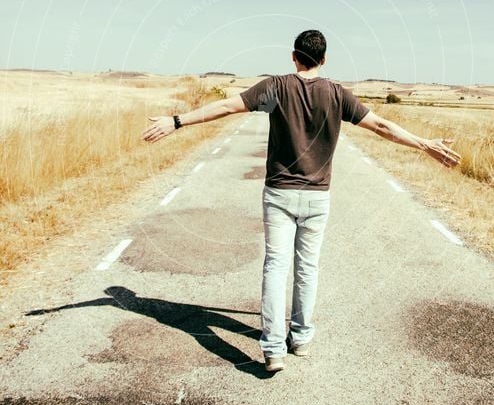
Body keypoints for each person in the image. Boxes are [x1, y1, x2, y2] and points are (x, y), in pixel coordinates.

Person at [142, 30, 461, 374]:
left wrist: (176, 121)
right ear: (324, 59)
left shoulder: (276, 88)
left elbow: (225, 106)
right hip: (317, 197)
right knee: (307, 269)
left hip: (279, 193)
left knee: (275, 267)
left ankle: (274, 350)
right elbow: (382, 125)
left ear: (293, 56)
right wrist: (424, 144)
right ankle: (302, 338)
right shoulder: (338, 94)